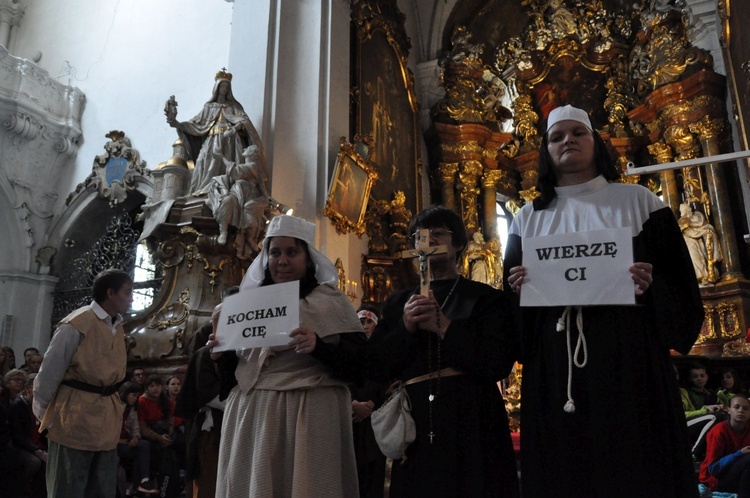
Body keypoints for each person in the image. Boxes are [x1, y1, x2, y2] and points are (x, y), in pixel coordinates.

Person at [504, 105, 704, 497]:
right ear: (546, 150)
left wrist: (652, 284)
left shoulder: (640, 202)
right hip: (557, 364)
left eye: (578, 133)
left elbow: (681, 285)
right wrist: (516, 288)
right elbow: (516, 312)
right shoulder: (527, 217)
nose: (568, 141)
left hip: (631, 358)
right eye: (557, 137)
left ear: (596, 142)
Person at [367, 206, 521, 497]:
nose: (424, 242)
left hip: (473, 417)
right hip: (415, 417)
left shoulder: (488, 299)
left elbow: (497, 362)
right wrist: (405, 327)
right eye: (417, 237)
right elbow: (376, 366)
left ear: (459, 243)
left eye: (436, 234)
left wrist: (445, 327)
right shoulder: (397, 303)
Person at [208, 214, 366, 497]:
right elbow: (232, 377)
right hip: (254, 415)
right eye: (275, 252)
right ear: (266, 258)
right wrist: (223, 355)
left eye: (292, 252)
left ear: (308, 258)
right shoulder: (245, 304)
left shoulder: (332, 302)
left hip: (312, 411)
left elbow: (361, 366)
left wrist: (318, 346)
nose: (282, 260)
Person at [33, 268, 132, 498]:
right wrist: (44, 415)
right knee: (68, 487)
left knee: (101, 488)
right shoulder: (76, 324)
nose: (131, 298)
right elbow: (49, 373)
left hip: (106, 418)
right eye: (127, 292)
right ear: (110, 293)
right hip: (73, 417)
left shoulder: (118, 327)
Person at [165, 69, 266, 196]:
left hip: (232, 140)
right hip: (213, 138)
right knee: (208, 162)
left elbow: (244, 121)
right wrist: (176, 123)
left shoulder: (234, 106)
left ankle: (229, 189)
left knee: (229, 163)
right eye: (222, 86)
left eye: (226, 86)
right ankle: (205, 189)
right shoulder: (209, 107)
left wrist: (235, 128)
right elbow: (196, 123)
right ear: (217, 88)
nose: (224, 89)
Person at [352, 304, 386, 497]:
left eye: (368, 322)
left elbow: (388, 381)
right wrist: (353, 403)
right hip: (352, 418)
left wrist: (373, 402)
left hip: (376, 418)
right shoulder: (348, 349)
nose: (364, 326)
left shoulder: (383, 349)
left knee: (375, 474)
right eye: (361, 322)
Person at [700, 395, 750, 495]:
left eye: (745, 408)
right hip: (715, 479)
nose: (741, 411)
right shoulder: (718, 431)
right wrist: (739, 453)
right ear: (729, 410)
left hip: (739, 473)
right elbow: (713, 468)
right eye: (736, 407)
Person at [9, 371, 47, 498]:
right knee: (34, 462)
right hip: (22, 447)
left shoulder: (40, 406)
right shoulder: (18, 406)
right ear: (27, 389)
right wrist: (37, 451)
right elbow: (18, 436)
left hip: (37, 444)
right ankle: (20, 491)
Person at [117, 382, 155, 496]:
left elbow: (135, 426)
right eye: (133, 395)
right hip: (114, 444)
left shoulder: (132, 409)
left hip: (126, 442)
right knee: (142, 448)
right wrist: (120, 441)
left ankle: (142, 482)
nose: (135, 398)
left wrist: (136, 437)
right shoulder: (116, 407)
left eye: (137, 396)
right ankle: (141, 483)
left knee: (143, 447)